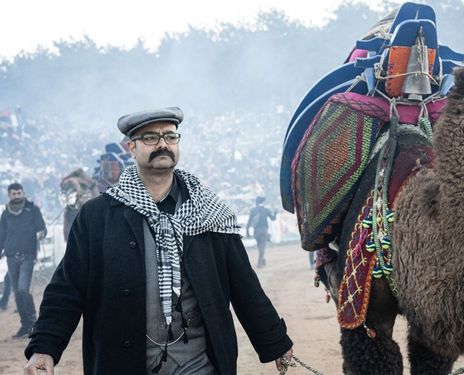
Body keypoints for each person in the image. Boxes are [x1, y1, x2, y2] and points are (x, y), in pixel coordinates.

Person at [24, 107, 293, 375]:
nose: (163, 144)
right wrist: (44, 347)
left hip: (199, 363)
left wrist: (275, 342)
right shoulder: (98, 216)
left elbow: (243, 283)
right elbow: (67, 288)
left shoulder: (209, 211)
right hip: (122, 362)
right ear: (132, 147)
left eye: (170, 136)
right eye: (151, 137)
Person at [0, 182, 47, 337]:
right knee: (17, 292)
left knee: (22, 288)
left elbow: (42, 228)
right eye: (13, 194)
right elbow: (1, 235)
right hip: (11, 256)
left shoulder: (33, 209)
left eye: (19, 193)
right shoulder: (6, 213)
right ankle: (25, 324)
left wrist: (42, 232)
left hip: (28, 256)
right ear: (9, 195)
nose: (17, 196)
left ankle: (33, 321)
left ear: (23, 193)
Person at [246, 196, 277, 268]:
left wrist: (247, 232)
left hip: (256, 231)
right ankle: (259, 263)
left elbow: (249, 222)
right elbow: (273, 219)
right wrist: (275, 213)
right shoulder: (266, 210)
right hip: (264, 231)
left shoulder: (253, 210)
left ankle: (263, 261)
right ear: (263, 202)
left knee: (260, 246)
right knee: (262, 247)